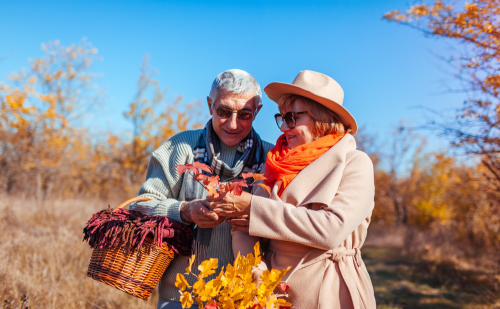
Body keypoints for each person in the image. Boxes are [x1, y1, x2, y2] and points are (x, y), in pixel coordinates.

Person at [208, 70, 376, 308]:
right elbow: (242, 228)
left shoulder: (355, 163)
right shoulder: (275, 162)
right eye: (283, 118)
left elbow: (331, 230)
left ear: (321, 119)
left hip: (331, 290)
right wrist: (257, 274)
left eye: (292, 119)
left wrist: (254, 209)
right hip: (272, 293)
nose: (284, 128)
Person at [130, 69, 274, 309]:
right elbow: (141, 206)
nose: (233, 123)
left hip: (247, 296)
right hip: (181, 295)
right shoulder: (179, 147)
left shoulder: (272, 159)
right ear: (210, 105)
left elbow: (287, 220)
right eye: (224, 111)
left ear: (257, 111)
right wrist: (185, 210)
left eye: (245, 114)